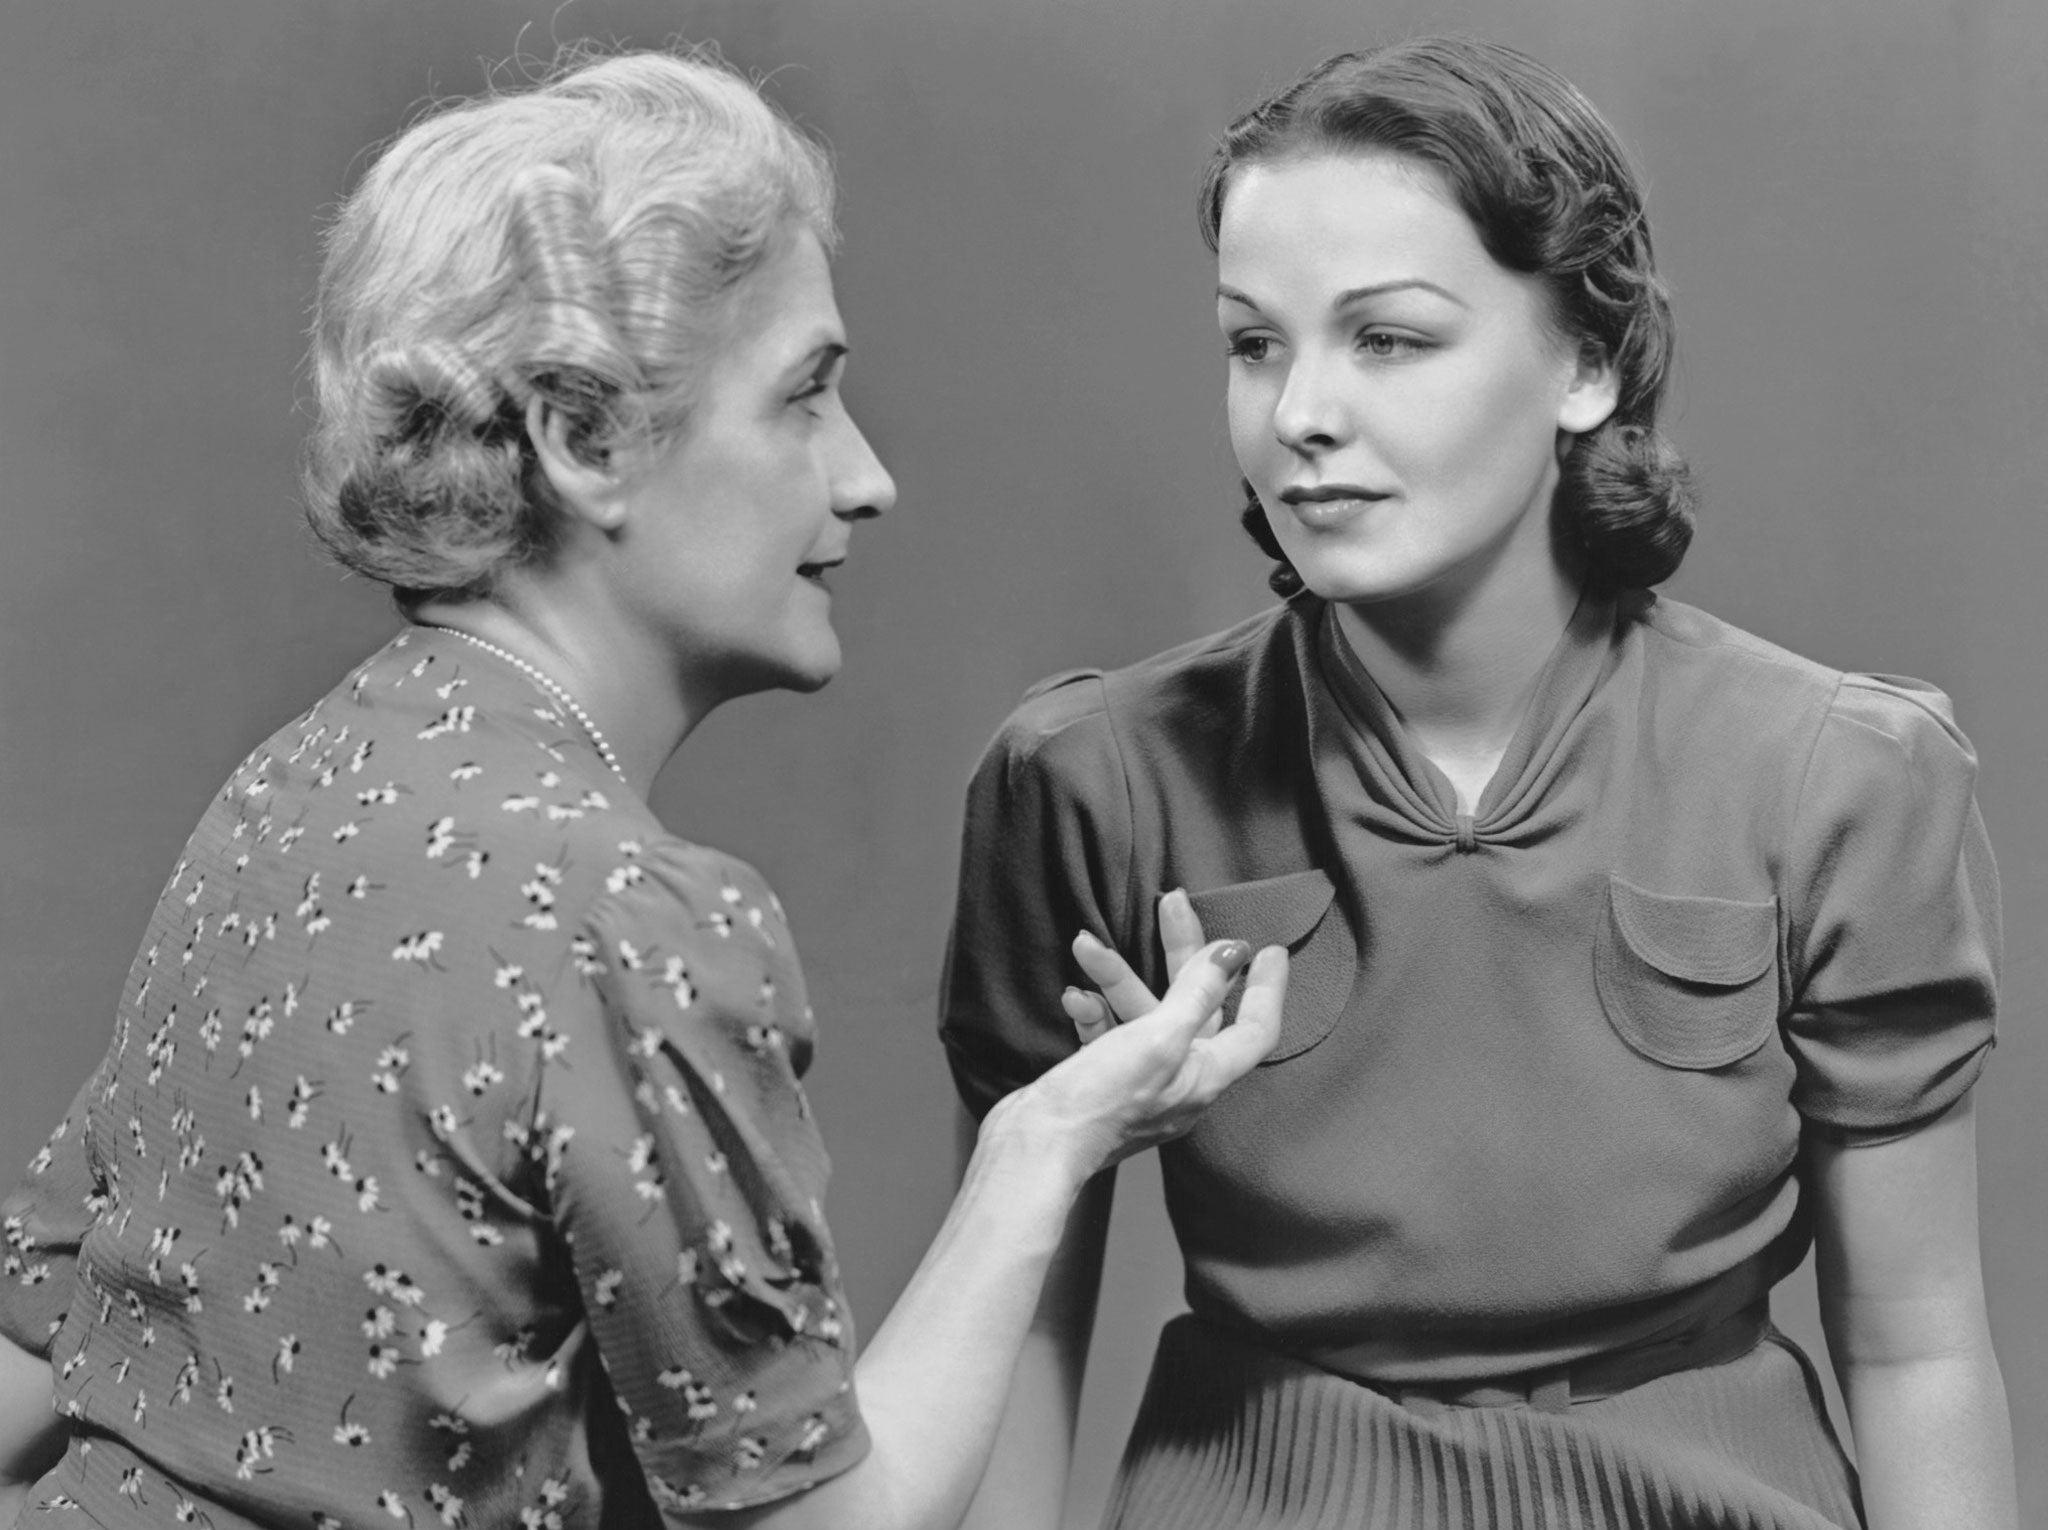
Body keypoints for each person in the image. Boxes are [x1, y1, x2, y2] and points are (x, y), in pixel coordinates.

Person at [0, 49, 1291, 1530]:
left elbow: (37, 1340)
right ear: (581, 437)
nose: (866, 477)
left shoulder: (285, 792)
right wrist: (1042, 1146)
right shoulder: (640, 918)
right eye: (804, 395)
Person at [940, 36, 2017, 1530]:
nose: (1299, 411)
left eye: (1387, 338)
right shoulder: (1092, 779)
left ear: (1585, 361)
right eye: (1254, 343)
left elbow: (1915, 1346)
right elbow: (1019, 1347)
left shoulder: (1843, 777)